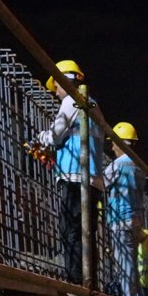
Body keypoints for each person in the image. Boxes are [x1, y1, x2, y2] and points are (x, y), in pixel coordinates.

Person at [35, 59, 104, 284]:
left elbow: (55, 134)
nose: (55, 92)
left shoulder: (71, 101)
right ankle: (89, 280)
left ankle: (75, 282)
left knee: (70, 231)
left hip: (74, 177)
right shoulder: (93, 106)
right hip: (93, 179)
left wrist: (40, 140)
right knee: (87, 234)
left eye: (56, 85)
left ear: (64, 79)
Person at [103, 121, 143, 296]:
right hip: (134, 220)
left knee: (124, 264)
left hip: (120, 219)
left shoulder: (118, 164)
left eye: (113, 142)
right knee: (131, 263)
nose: (111, 147)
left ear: (120, 142)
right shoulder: (138, 166)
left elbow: (100, 183)